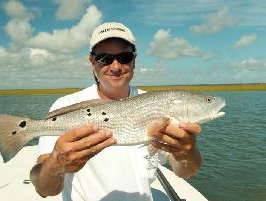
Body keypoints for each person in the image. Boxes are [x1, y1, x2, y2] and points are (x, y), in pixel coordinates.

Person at [30, 22, 202, 201]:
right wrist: (55, 164)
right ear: (92, 62)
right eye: (104, 58)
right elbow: (44, 189)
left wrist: (188, 151)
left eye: (124, 57)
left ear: (134, 60)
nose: (115, 67)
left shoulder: (158, 105)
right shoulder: (64, 105)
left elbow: (185, 172)